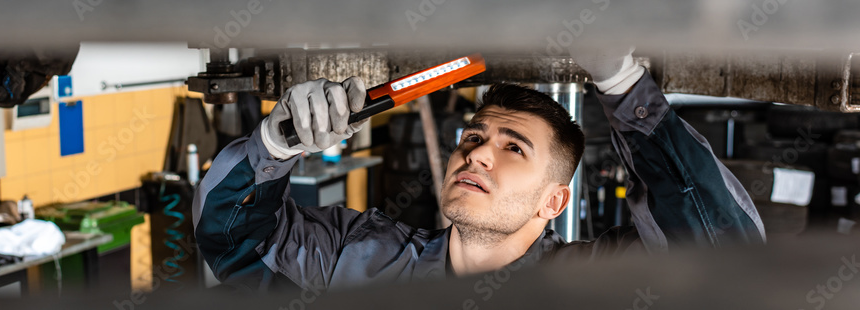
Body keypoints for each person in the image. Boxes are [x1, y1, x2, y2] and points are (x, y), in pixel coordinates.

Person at [192, 47, 766, 292]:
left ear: (554, 202)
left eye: (514, 148)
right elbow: (233, 241)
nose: (477, 153)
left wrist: (621, 83)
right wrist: (276, 141)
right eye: (473, 136)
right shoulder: (356, 261)